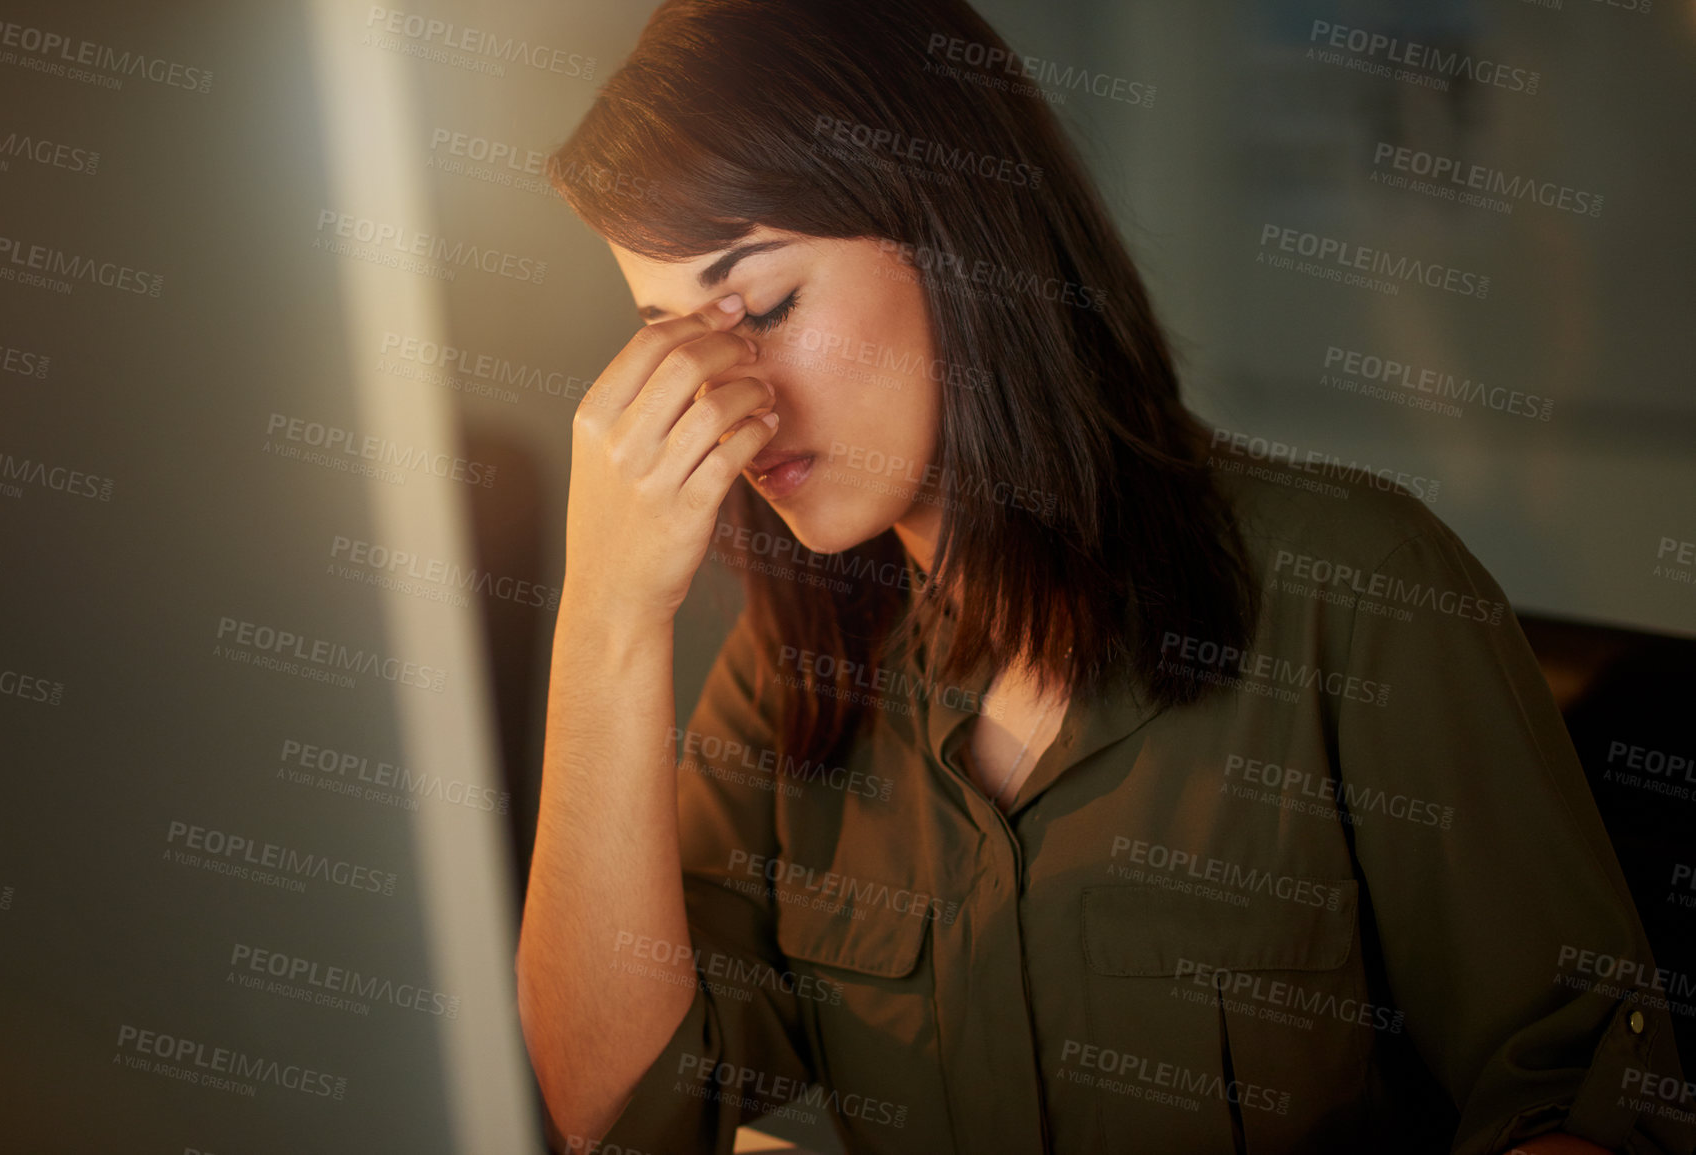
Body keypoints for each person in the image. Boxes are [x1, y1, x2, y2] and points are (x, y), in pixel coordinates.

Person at [514, 1, 1692, 1152]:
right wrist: (607, 620)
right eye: (668, 334)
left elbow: (1579, 1104)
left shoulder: (1359, 592)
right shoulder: (796, 672)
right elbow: (616, 1109)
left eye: (763, 303)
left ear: (955, 231)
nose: (732, 392)